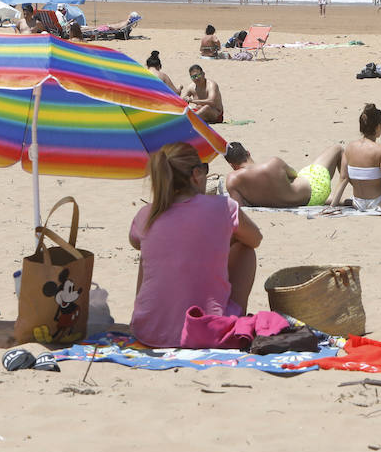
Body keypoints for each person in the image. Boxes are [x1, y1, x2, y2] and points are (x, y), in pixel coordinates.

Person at [128, 143, 262, 346]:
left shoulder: (146, 214)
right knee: (245, 251)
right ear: (197, 174)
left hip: (148, 332)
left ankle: (150, 315)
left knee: (149, 253)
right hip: (207, 333)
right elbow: (255, 239)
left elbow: (135, 242)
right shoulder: (222, 207)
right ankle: (233, 320)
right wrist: (224, 239)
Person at [223, 141, 345, 208]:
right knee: (337, 149)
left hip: (300, 201)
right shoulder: (273, 164)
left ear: (232, 165)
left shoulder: (232, 180)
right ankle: (358, 196)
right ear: (248, 153)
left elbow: (240, 206)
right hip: (314, 191)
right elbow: (294, 174)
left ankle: (337, 200)